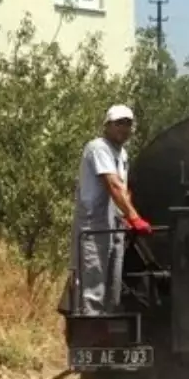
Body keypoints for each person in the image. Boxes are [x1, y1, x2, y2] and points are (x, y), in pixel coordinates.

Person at [64, 105, 152, 315]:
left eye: (128, 124)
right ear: (107, 125)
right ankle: (92, 331)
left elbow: (123, 188)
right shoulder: (98, 147)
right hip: (95, 225)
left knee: (113, 284)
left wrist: (127, 218)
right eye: (119, 123)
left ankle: (109, 327)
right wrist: (135, 217)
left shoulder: (121, 153)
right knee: (94, 282)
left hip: (115, 226)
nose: (124, 128)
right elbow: (112, 184)